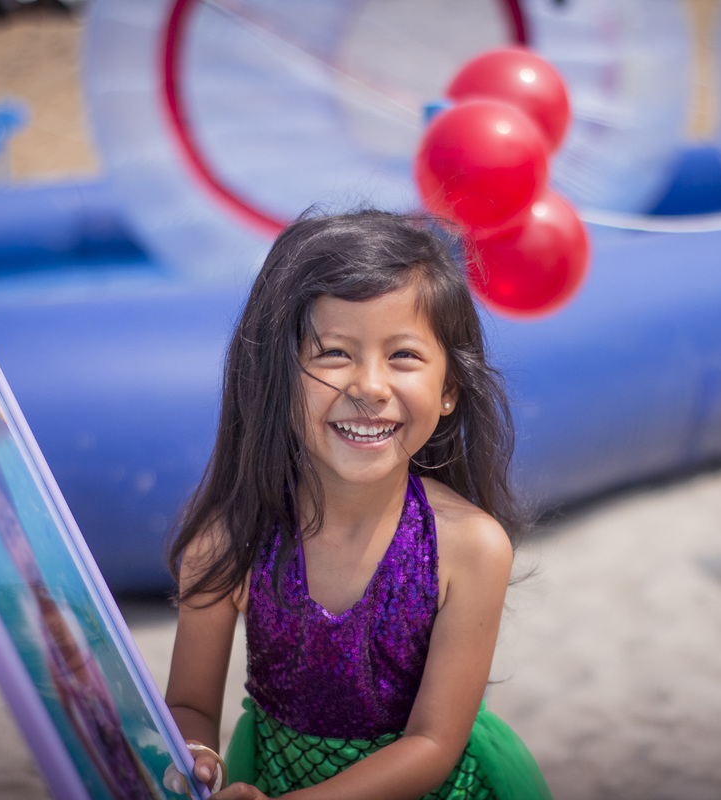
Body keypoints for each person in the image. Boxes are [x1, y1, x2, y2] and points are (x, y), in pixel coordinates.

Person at [161, 209, 553, 799]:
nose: (369, 386)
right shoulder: (232, 540)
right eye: (334, 353)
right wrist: (197, 759)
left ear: (449, 390)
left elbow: (432, 744)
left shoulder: (469, 548)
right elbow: (190, 704)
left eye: (404, 356)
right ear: (276, 376)